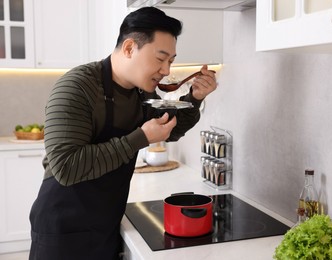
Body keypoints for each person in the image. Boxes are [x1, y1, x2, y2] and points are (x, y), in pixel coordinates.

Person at [29, 7, 217, 260]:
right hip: (63, 228)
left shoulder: (142, 92)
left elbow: (168, 129)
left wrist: (194, 98)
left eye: (170, 61)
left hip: (106, 222)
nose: (165, 70)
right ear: (129, 48)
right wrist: (139, 138)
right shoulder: (77, 86)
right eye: (160, 58)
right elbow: (66, 167)